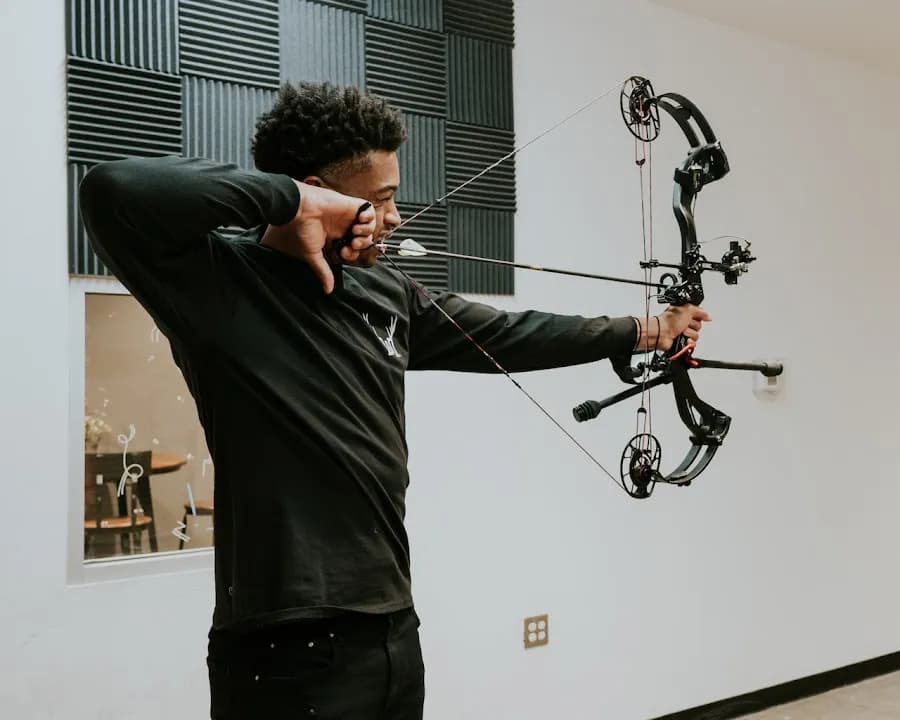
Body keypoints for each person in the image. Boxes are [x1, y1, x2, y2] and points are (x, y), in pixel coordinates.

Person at [79, 82, 710, 719]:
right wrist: (289, 200)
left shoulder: (383, 289)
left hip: (390, 626)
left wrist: (646, 330)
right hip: (283, 644)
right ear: (320, 190)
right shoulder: (218, 280)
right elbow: (113, 190)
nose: (395, 217)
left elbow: (510, 334)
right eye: (380, 200)